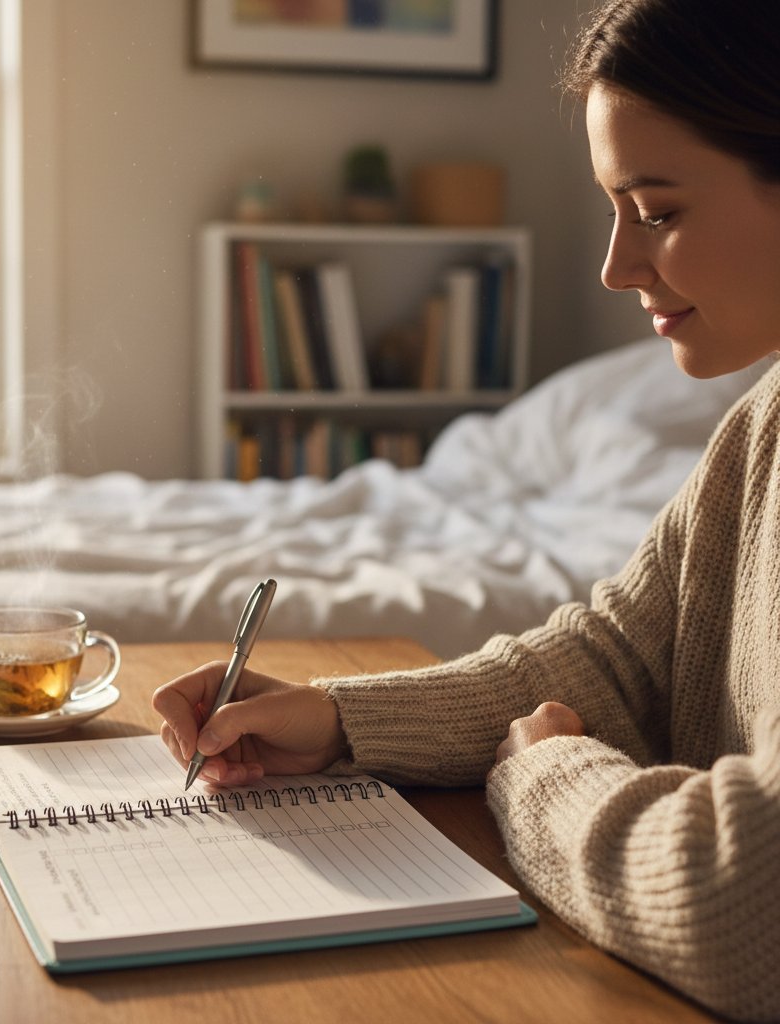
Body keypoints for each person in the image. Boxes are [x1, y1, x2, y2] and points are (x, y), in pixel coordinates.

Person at [153, 1, 780, 1019]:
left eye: (656, 212)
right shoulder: (763, 423)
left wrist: (546, 779)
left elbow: (747, 903)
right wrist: (342, 721)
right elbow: (621, 654)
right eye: (614, 209)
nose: (615, 266)